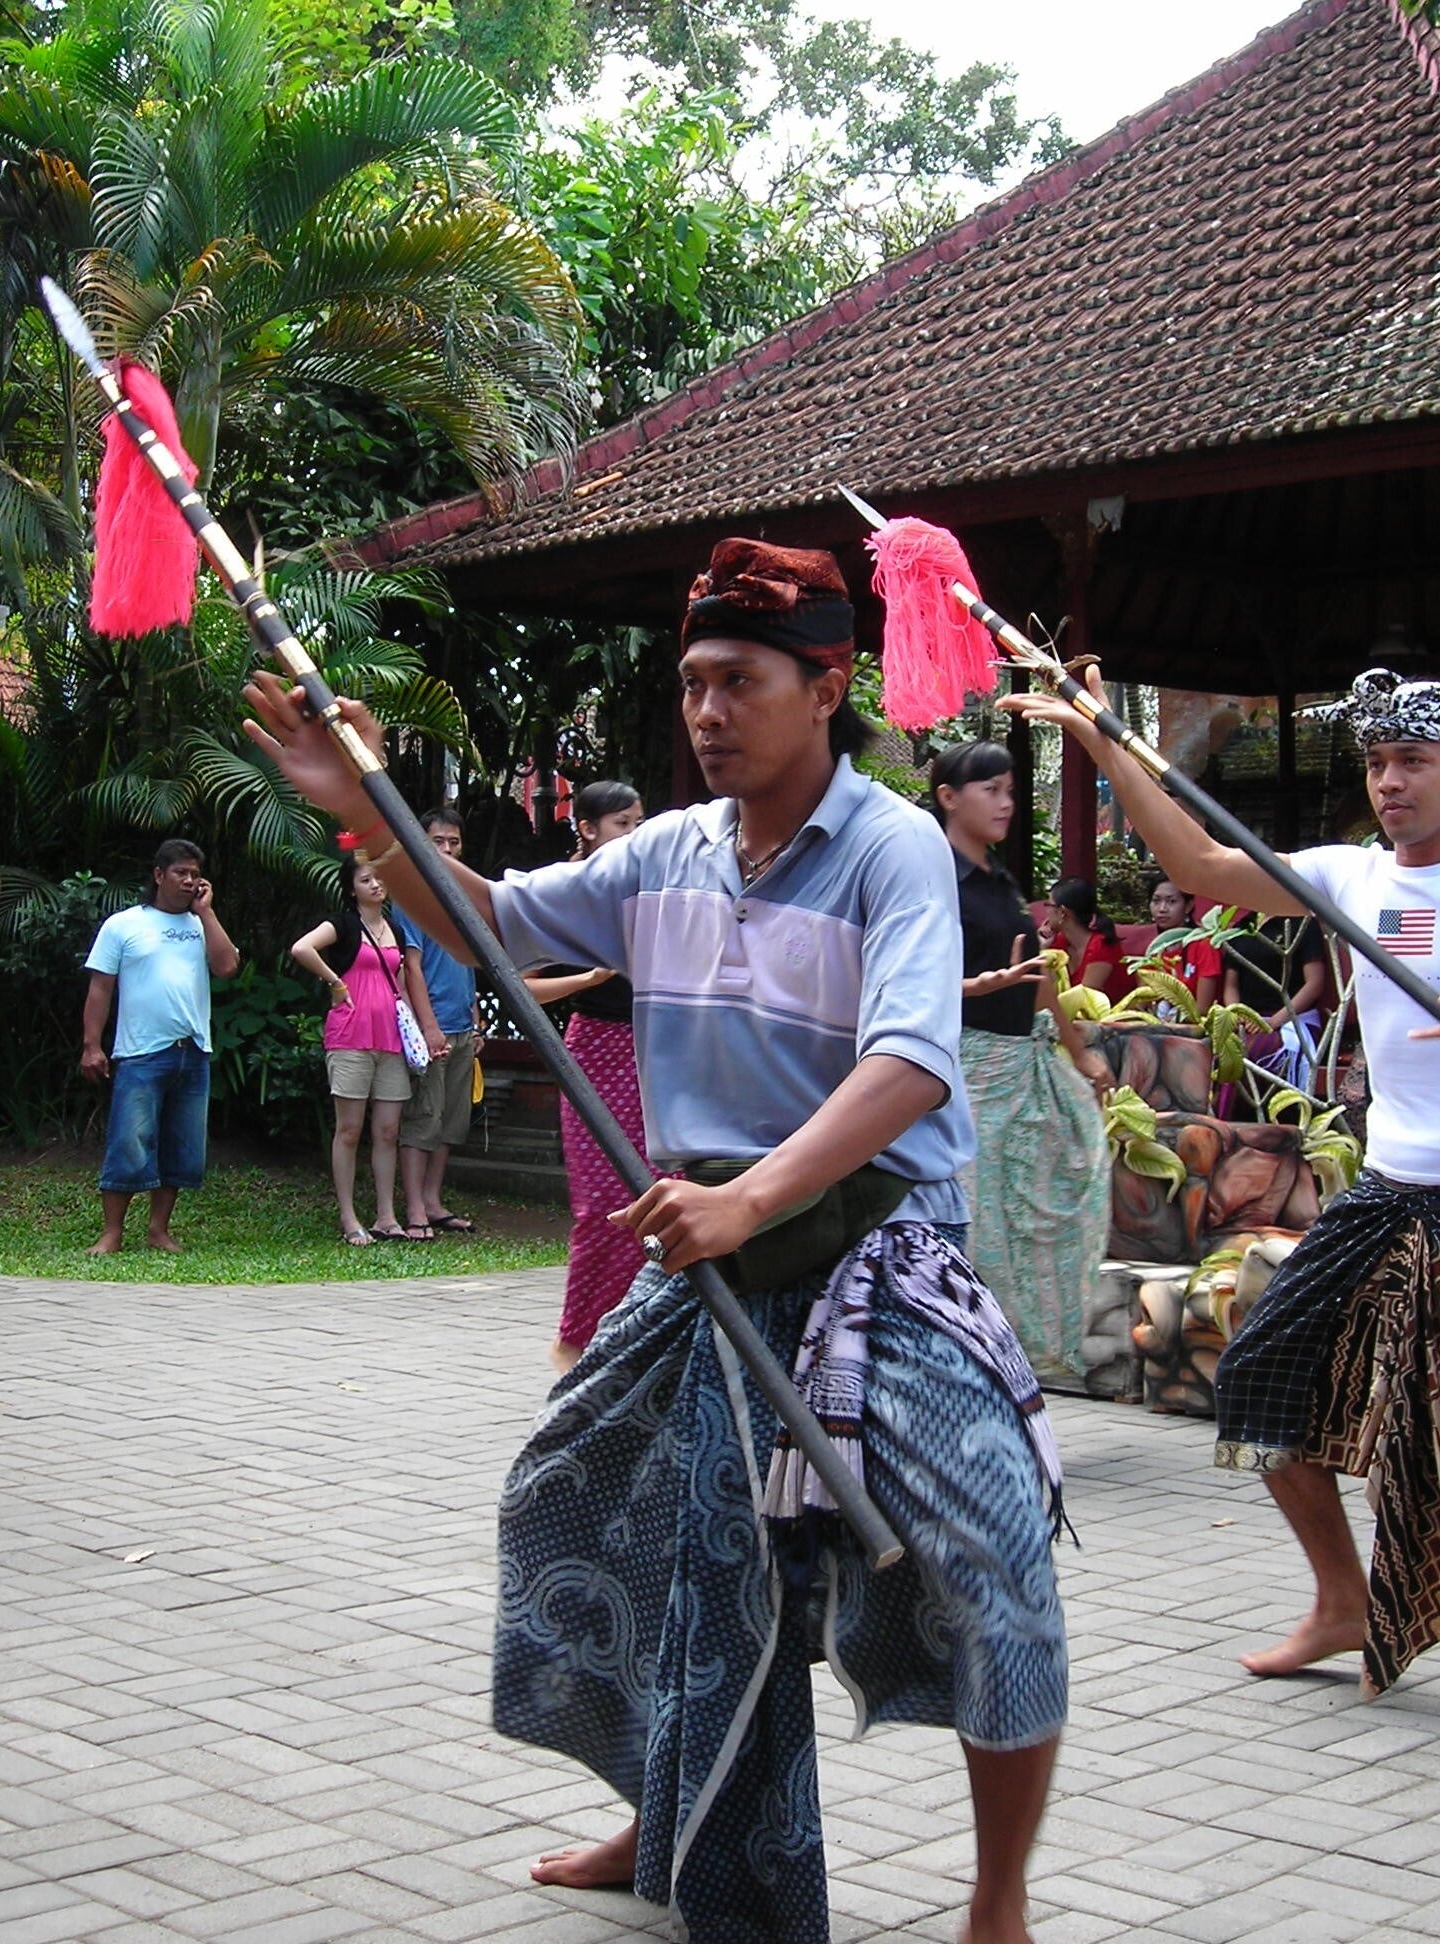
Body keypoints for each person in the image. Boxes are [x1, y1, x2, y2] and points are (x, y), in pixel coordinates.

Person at [244, 537, 1068, 1944]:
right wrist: (370, 819)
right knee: (582, 1511)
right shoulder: (666, 853)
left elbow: (913, 1063)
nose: (704, 711)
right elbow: (496, 929)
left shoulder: (894, 851)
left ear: (828, 684)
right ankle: (667, 1817)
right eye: (691, 682)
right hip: (707, 1269)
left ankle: (1000, 1902)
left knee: (997, 1565)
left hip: (878, 1258)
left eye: (737, 681)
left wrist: (755, 1198)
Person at [1008, 664, 1440, 1740]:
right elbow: (1197, 860)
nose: (1391, 781)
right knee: (1260, 1377)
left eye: (1413, 762)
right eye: (1376, 762)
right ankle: (1341, 1600)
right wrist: (1101, 739)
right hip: (1392, 1191)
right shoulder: (1349, 878)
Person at [934, 740, 1115, 1388]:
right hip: (963, 1075)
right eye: (991, 789)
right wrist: (975, 990)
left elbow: (1039, 977)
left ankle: (1017, 1369)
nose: (1006, 802)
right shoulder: (932, 878)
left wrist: (1079, 1048)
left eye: (1011, 789)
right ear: (949, 797)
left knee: (1037, 1216)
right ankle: (967, 1375)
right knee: (977, 1231)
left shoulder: (1001, 881)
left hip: (1022, 1068)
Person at [524, 780, 656, 1368]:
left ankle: (639, 1334)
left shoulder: (651, 887)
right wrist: (586, 981)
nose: (634, 833)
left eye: (638, 822)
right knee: (603, 1205)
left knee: (656, 1195)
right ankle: (576, 1342)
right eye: (622, 823)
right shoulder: (566, 890)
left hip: (658, 1051)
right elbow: (516, 982)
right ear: (587, 828)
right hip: (597, 1051)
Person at [81, 838, 239, 1256]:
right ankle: (112, 1232)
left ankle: (158, 1230)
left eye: (194, 874)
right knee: (130, 1141)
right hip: (140, 1052)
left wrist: (206, 912)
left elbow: (226, 967)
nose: (189, 881)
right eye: (180, 873)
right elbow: (100, 988)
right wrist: (91, 1045)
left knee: (182, 1145)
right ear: (158, 875)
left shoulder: (200, 924)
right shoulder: (124, 924)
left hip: (193, 1050)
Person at [291, 853, 438, 1245]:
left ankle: (386, 1216)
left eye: (379, 879)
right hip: (351, 1035)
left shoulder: (395, 928)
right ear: (351, 888)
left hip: (390, 1035)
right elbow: (302, 948)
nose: (375, 885)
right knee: (350, 1129)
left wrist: (420, 1032)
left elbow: (403, 981)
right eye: (365, 880)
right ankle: (348, 1216)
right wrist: (335, 982)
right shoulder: (343, 923)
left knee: (388, 1130)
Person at [394, 805, 482, 1240]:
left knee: (451, 1120)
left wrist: (477, 1021)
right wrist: (428, 1028)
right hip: (433, 1027)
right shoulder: (411, 896)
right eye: (437, 841)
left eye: (454, 842)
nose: (447, 849)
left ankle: (433, 1200)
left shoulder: (463, 896)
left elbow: (470, 963)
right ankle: (413, 1208)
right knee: (423, 1119)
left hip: (464, 1025)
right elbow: (411, 968)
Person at [1225, 912, 1332, 1094]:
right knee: (1221, 1050)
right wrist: (1239, 1015)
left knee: (1253, 1052)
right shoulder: (1241, 927)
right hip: (1248, 1022)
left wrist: (1273, 1022)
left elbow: (1314, 984)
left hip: (1292, 1020)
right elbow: (1231, 986)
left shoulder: (1303, 923)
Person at [1140, 874, 1222, 1015]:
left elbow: (1202, 1010)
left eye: (1171, 901)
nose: (1162, 909)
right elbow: (1142, 1003)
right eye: (1156, 901)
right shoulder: (1154, 950)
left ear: (1188, 906)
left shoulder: (1204, 945)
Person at [1042, 877, 1126, 993]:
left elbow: (1083, 1003)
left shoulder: (1101, 947)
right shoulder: (1059, 943)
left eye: (1048, 905)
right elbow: (1048, 992)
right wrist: (1042, 949)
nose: (1046, 911)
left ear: (1062, 912)